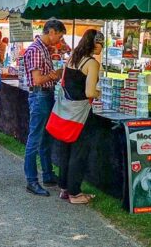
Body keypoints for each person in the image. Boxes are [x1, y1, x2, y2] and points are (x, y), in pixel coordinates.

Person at [55, 29, 103, 204]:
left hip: (67, 111)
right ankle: (75, 193)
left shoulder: (72, 58)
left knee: (65, 150)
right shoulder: (91, 63)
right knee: (79, 152)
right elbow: (89, 91)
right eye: (100, 43)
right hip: (81, 113)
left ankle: (64, 188)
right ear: (93, 43)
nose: (102, 47)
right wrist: (99, 93)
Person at [23, 19, 66, 196]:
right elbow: (37, 79)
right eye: (60, 36)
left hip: (45, 95)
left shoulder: (43, 49)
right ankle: (31, 180)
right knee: (35, 139)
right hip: (39, 95)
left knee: (46, 138)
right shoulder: (36, 49)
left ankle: (48, 174)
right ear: (52, 32)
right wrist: (55, 74)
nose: (60, 40)